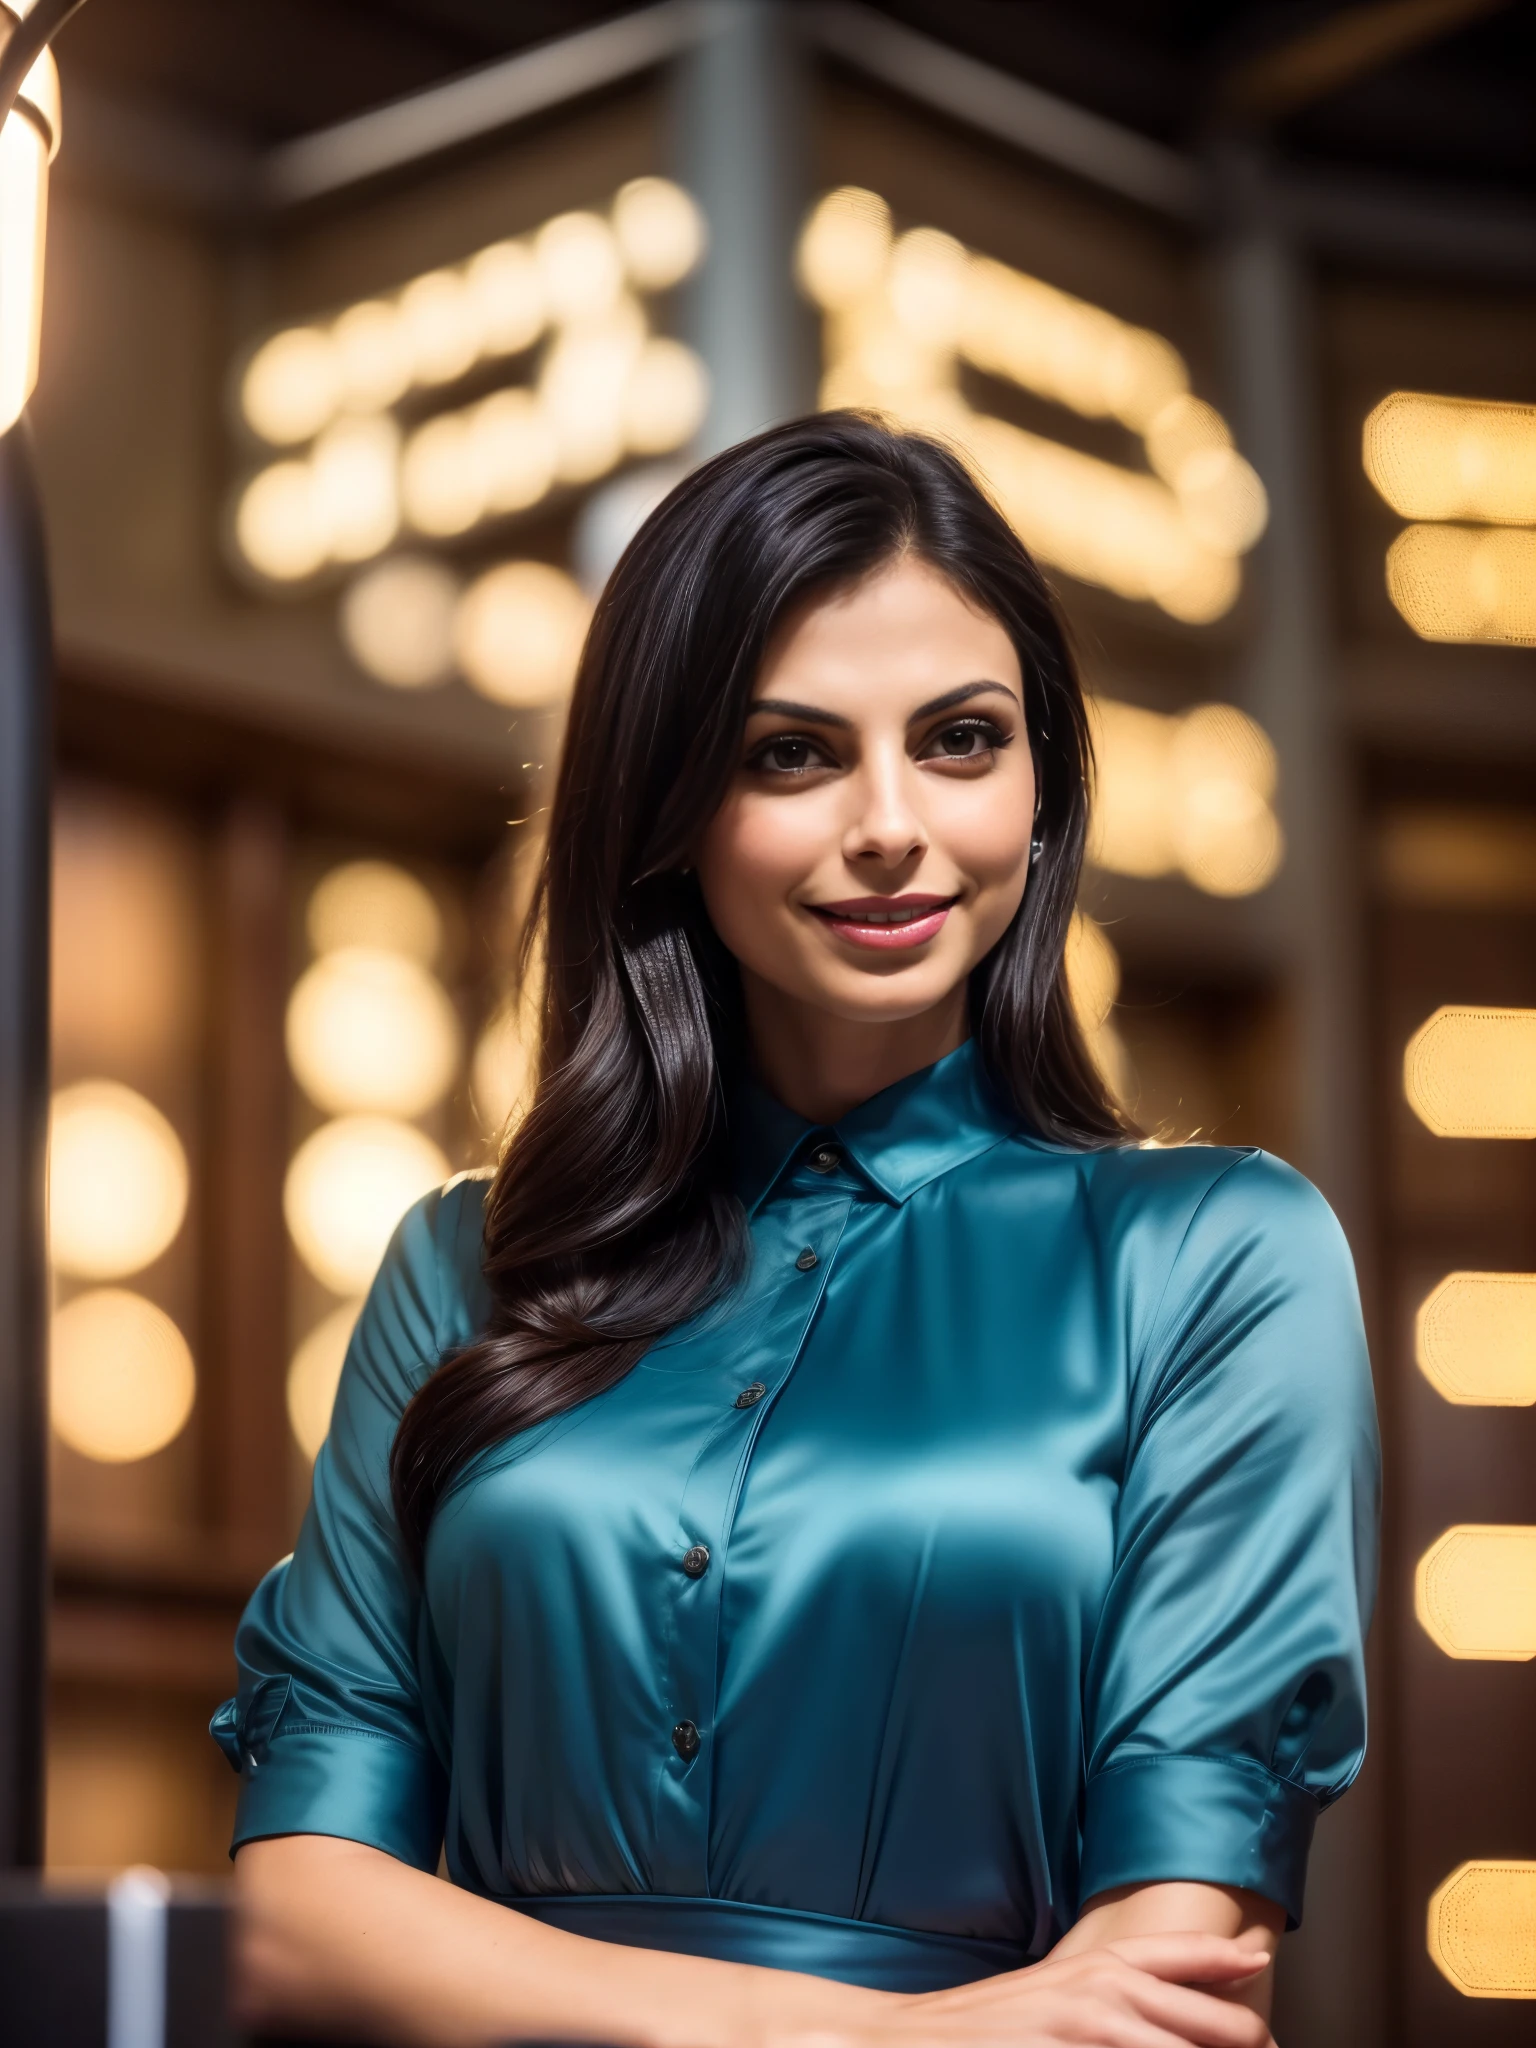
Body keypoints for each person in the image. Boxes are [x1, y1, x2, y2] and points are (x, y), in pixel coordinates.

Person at [215, 414, 1379, 2048]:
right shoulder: (464, 1270)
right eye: (793, 753)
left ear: (1044, 791)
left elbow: (1157, 1982)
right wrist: (884, 2035)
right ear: (670, 813)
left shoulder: (1216, 1262)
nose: (893, 821)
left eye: (964, 740)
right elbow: (293, 1916)